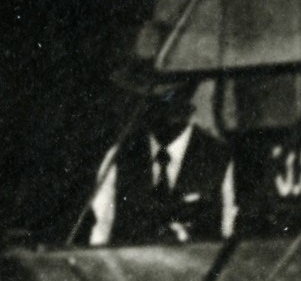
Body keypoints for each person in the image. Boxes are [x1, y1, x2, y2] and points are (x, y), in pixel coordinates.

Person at [81, 75, 233, 245]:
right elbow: (100, 234)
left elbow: (230, 234)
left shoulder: (221, 158)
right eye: (154, 102)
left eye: (173, 99)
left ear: (189, 104)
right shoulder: (119, 156)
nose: (164, 114)